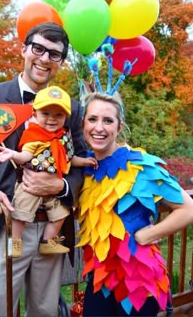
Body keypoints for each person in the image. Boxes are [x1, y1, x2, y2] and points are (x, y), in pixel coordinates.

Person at [0, 22, 87, 317]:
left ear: (61, 63)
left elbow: (82, 163)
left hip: (52, 230)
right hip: (5, 226)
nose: (44, 58)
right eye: (38, 49)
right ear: (24, 50)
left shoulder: (73, 108)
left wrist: (62, 187)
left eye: (54, 54)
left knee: (45, 310)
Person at [76, 92, 193, 317]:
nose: (99, 128)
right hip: (100, 278)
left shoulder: (139, 165)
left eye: (108, 121)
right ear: (83, 123)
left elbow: (188, 208)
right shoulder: (85, 165)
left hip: (139, 284)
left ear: (119, 127)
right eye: (92, 119)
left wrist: (147, 236)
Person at [0, 85, 97, 257]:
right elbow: (25, 156)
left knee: (61, 213)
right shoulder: (34, 135)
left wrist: (85, 161)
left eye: (58, 114)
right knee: (20, 215)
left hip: (52, 191)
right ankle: (14, 242)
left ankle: (48, 241)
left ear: (66, 116)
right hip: (30, 188)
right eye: (45, 114)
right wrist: (12, 154)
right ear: (34, 115)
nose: (51, 119)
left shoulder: (64, 137)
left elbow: (69, 158)